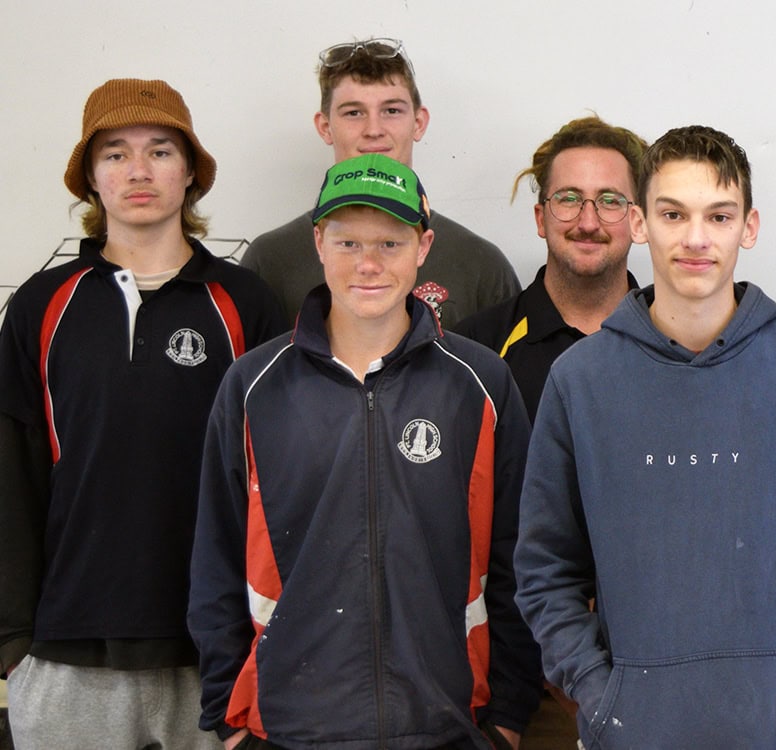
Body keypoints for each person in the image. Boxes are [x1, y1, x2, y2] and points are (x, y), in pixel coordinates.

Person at [514, 126, 776, 749]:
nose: (695, 238)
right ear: (639, 223)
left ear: (749, 227)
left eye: (718, 216)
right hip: (631, 733)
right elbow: (545, 567)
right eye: (673, 214)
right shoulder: (580, 379)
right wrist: (601, 695)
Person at [189, 154, 540, 749]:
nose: (368, 263)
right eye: (348, 242)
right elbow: (215, 558)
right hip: (287, 729)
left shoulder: (480, 383)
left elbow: (519, 551)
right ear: (318, 243)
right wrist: (229, 718)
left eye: (390, 243)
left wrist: (506, 715)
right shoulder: (254, 385)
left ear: (423, 247)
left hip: (450, 725)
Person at [0, 78, 283, 749]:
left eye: (160, 151)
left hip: (216, 651)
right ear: (90, 178)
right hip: (66, 650)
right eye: (115, 153)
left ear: (190, 173)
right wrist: (12, 639)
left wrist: (266, 637)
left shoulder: (247, 303)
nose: (138, 170)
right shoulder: (41, 305)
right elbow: (10, 474)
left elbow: (277, 480)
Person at [241, 37, 519, 325]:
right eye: (354, 113)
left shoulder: (480, 265)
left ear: (418, 122)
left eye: (392, 111)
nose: (374, 129)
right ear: (325, 127)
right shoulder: (270, 260)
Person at [453, 115, 648, 419]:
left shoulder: (676, 341)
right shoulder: (474, 348)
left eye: (610, 201)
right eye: (568, 198)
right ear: (540, 219)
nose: (588, 223)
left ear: (638, 220)